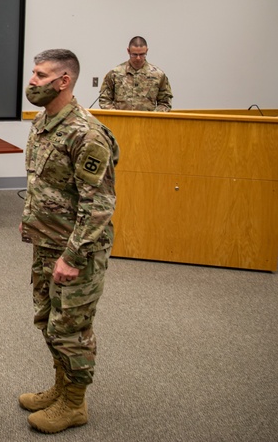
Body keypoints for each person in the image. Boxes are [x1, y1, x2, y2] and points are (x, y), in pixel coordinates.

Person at [19, 48, 119, 434]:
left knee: (70, 327)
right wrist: (30, 220)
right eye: (33, 73)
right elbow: (46, 183)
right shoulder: (45, 123)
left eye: (41, 75)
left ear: (63, 81)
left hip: (77, 250)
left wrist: (73, 256)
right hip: (48, 241)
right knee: (48, 319)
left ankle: (75, 404)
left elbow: (99, 204)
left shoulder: (85, 133)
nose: (32, 81)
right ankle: (61, 388)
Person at [98, 36, 172, 111]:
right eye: (134, 54)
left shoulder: (158, 75)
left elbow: (165, 103)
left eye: (142, 54)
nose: (138, 58)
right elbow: (104, 100)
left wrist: (153, 116)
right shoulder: (115, 73)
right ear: (128, 51)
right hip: (120, 121)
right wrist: (117, 116)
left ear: (147, 51)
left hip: (148, 121)